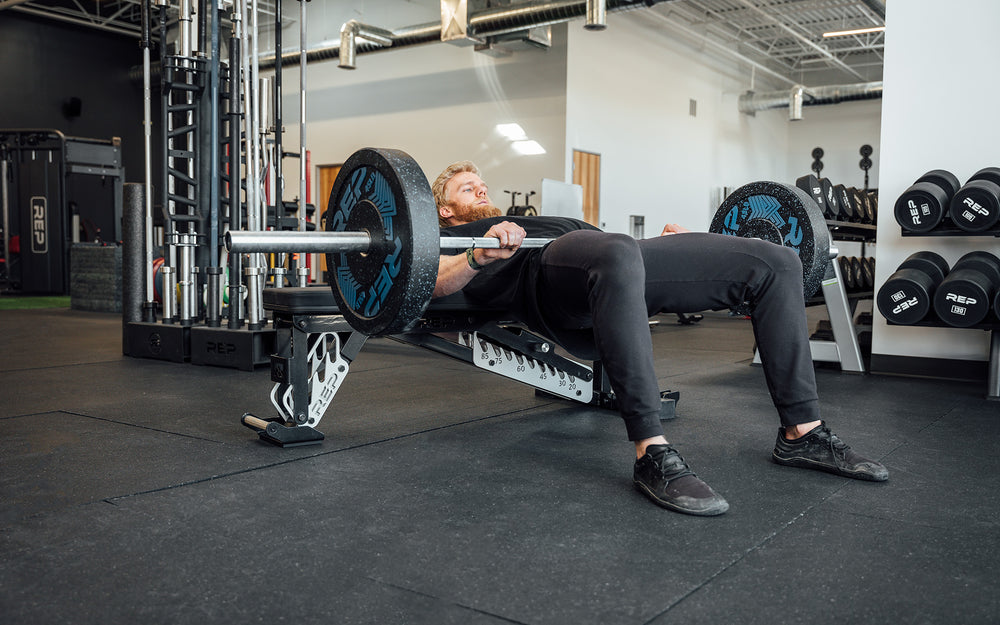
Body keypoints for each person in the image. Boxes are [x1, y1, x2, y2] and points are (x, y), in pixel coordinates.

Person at [431, 160, 888, 516]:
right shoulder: (446, 240)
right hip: (546, 276)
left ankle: (801, 431)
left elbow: (612, 256)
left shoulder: (517, 219)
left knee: (777, 262)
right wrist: (476, 254)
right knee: (616, 248)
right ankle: (651, 451)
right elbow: (430, 285)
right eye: (467, 189)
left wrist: (663, 246)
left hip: (606, 251)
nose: (481, 190)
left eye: (482, 184)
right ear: (444, 209)